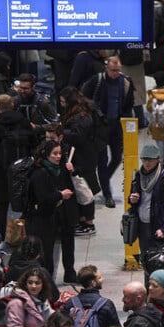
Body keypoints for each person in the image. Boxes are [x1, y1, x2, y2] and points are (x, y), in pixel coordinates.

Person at [80, 55, 137, 208]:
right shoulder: (97, 80)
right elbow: (83, 98)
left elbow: (129, 103)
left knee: (117, 157)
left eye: (118, 70)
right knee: (102, 161)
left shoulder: (125, 82)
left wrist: (127, 121)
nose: (115, 73)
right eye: (113, 70)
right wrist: (94, 111)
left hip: (116, 125)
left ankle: (103, 181)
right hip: (99, 126)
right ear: (107, 67)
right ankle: (108, 194)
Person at [0, 93, 37, 236]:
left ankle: (1, 236)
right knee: (27, 203)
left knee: (2, 205)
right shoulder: (24, 121)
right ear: (12, 105)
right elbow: (34, 144)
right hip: (24, 170)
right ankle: (26, 233)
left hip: (2, 172)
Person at [27, 139, 78, 283]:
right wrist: (61, 195)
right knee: (46, 253)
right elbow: (42, 197)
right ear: (46, 155)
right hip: (42, 219)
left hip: (57, 215)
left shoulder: (58, 169)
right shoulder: (40, 173)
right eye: (54, 154)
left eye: (60, 153)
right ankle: (45, 282)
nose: (58, 156)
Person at [128, 144, 164, 260]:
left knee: (160, 261)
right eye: (144, 160)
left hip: (159, 228)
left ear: (158, 160)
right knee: (145, 259)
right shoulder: (138, 176)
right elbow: (132, 199)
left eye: (150, 160)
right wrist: (132, 199)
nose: (147, 163)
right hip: (142, 226)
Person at [60, 99, 106, 236]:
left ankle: (88, 224)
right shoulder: (88, 117)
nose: (62, 104)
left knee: (85, 193)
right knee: (83, 193)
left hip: (83, 162)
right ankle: (84, 222)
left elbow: (78, 137)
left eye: (64, 101)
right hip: (85, 161)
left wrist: (64, 131)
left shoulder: (82, 120)